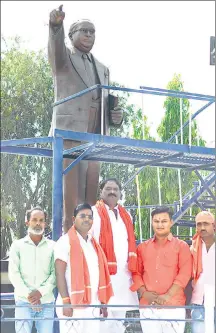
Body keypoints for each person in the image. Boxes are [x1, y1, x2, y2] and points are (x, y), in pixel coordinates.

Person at [48, 5, 124, 232]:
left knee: (91, 187)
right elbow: (55, 48)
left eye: (92, 31)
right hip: (70, 130)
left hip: (95, 131)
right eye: (84, 31)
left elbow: (108, 100)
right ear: (72, 35)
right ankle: (70, 233)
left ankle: (91, 234)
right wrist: (55, 25)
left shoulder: (102, 67)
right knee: (70, 188)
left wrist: (115, 117)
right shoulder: (64, 59)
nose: (89, 35)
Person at [131, 206, 192, 333]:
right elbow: (136, 273)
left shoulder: (182, 246)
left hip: (173, 306)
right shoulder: (142, 247)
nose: (160, 224)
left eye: (164, 221)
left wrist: (167, 296)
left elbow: (184, 274)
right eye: (156, 221)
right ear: (152, 222)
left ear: (171, 222)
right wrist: (144, 293)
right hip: (148, 306)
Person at [54, 203, 113, 333]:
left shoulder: (94, 244)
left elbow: (99, 273)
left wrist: (103, 302)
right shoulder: (64, 242)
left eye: (90, 217)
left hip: (93, 303)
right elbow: (59, 273)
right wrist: (66, 301)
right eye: (82, 216)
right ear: (74, 219)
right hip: (72, 305)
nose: (87, 219)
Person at [91, 178, 139, 333]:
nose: (112, 192)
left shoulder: (127, 216)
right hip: (102, 277)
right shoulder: (92, 213)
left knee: (119, 322)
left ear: (120, 193)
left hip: (123, 277)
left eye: (115, 189)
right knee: (101, 322)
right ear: (101, 191)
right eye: (108, 188)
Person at [8, 207, 56, 333]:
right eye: (34, 220)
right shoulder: (17, 246)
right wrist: (30, 296)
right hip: (24, 302)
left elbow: (55, 274)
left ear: (45, 224)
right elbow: (14, 274)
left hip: (46, 302)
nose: (38, 223)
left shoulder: (53, 246)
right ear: (27, 222)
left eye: (41, 220)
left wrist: (40, 293)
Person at [190, 211, 215, 333]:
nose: (202, 227)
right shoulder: (192, 248)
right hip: (198, 302)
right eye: (198, 224)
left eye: (206, 223)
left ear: (214, 226)